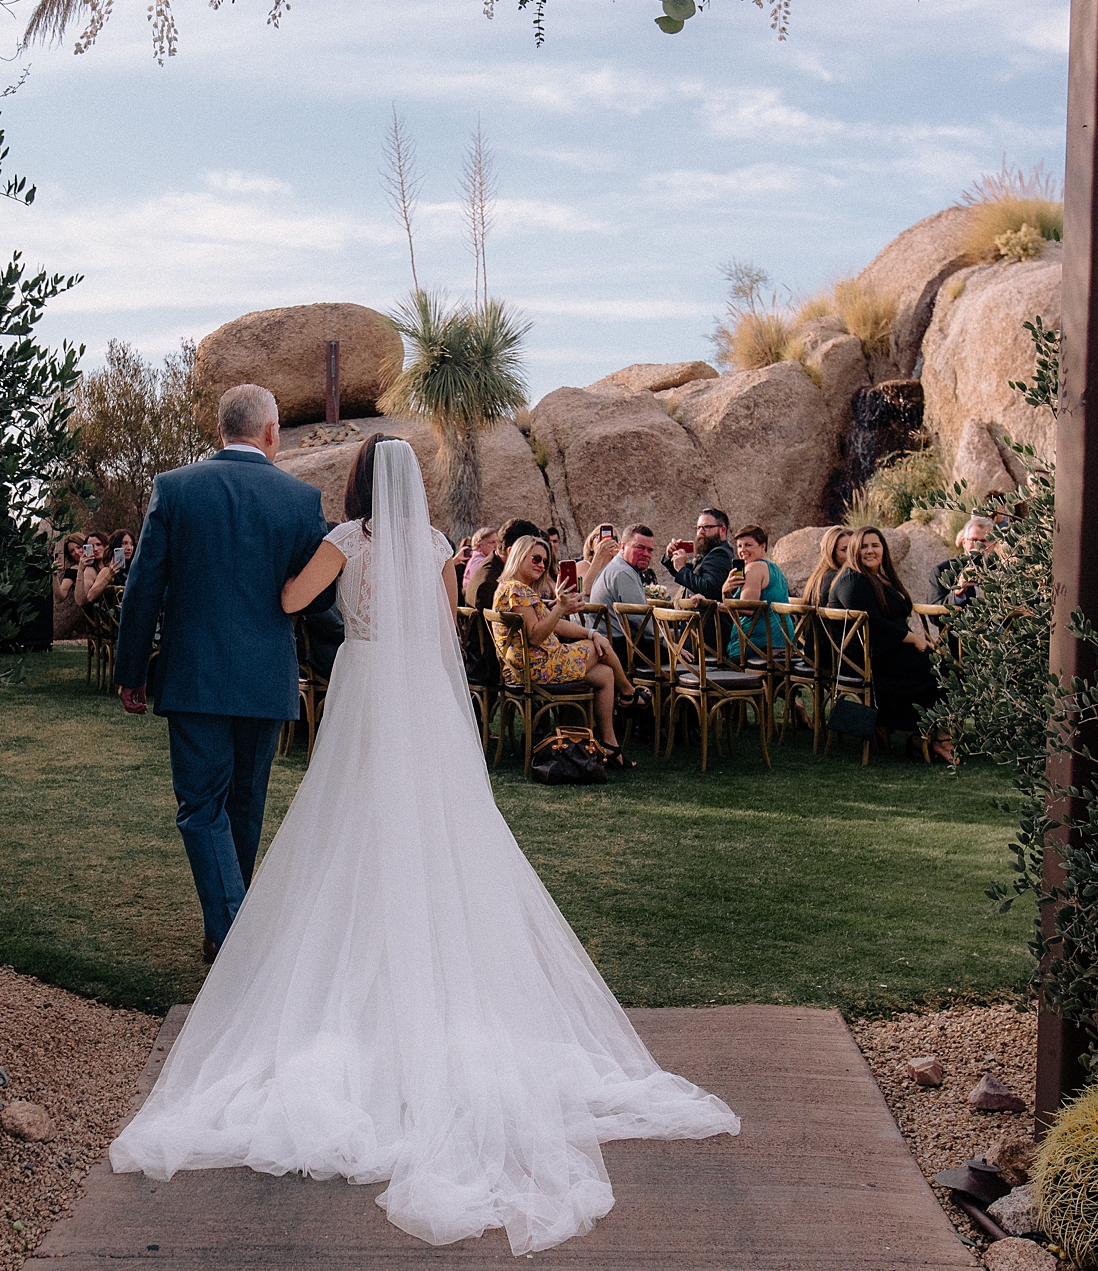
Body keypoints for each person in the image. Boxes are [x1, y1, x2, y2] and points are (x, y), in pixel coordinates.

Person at [109, 438, 739, 1254]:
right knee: (439, 824)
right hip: (419, 694)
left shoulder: (347, 542)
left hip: (368, 684)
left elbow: (295, 600)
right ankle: (432, 957)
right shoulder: (439, 548)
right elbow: (445, 627)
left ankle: (336, 957)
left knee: (348, 818)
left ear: (362, 483)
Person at [114, 384, 331, 964]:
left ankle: (233, 936)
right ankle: (228, 927)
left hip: (196, 677)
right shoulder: (301, 499)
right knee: (242, 804)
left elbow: (143, 588)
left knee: (201, 807)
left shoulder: (176, 488)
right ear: (269, 433)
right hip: (265, 680)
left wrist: (131, 669)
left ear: (220, 432)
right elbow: (317, 598)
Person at [492, 535, 639, 767]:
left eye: (545, 561)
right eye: (536, 559)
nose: (541, 565)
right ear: (519, 557)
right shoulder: (516, 591)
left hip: (538, 665)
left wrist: (591, 633)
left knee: (604, 673)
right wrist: (560, 608)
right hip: (537, 669)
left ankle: (610, 747)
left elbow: (554, 624)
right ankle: (630, 693)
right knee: (600, 648)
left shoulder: (516, 589)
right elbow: (535, 635)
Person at [828, 525, 951, 760]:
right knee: (942, 669)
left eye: (875, 545)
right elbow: (873, 624)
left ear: (883, 548)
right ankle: (937, 740)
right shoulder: (852, 580)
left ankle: (923, 735)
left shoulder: (876, 577)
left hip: (887, 650)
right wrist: (914, 638)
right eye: (864, 546)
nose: (870, 551)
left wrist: (919, 640)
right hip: (869, 659)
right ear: (854, 549)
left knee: (944, 665)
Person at [723, 525, 789, 662]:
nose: (743, 550)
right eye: (739, 546)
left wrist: (714, 604)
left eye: (748, 545)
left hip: (758, 645)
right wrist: (726, 593)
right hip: (784, 641)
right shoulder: (774, 568)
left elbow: (747, 609)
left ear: (763, 546)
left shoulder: (754, 567)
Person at [588, 525, 656, 648]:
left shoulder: (617, 566)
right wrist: (668, 642)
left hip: (610, 641)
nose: (646, 554)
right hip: (620, 646)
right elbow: (641, 620)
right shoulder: (623, 572)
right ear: (623, 547)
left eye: (650, 550)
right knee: (689, 651)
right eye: (639, 547)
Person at [934, 515, 997, 608]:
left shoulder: (1003, 570)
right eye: (973, 540)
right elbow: (934, 616)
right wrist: (958, 592)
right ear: (964, 542)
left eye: (983, 541)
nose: (978, 546)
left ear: (994, 544)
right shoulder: (944, 571)